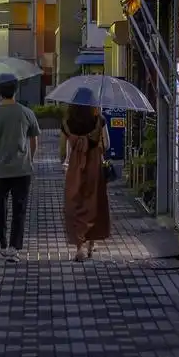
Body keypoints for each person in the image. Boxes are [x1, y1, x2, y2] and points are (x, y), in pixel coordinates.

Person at [0, 73, 40, 263]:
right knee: (19, 208)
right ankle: (14, 248)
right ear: (15, 89)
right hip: (22, 168)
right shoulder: (26, 112)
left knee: (0, 206)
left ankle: (2, 243)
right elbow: (34, 141)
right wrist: (31, 160)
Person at [59, 98, 111, 261]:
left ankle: (79, 248)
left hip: (75, 168)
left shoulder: (67, 124)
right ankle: (91, 244)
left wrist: (67, 161)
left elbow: (64, 149)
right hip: (94, 167)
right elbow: (107, 145)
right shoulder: (99, 120)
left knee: (77, 204)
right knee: (93, 203)